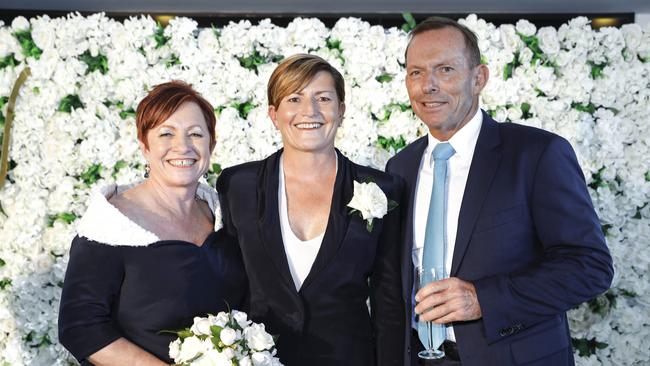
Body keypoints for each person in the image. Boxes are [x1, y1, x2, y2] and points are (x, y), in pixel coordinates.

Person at [385, 17, 614, 366]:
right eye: (416, 73)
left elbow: (589, 266)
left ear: (479, 78)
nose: (427, 85)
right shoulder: (400, 167)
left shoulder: (536, 154)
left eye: (444, 69)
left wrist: (483, 299)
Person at [216, 54, 404, 365]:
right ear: (274, 114)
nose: (310, 111)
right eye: (295, 98)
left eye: (323, 98)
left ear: (341, 111)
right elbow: (229, 284)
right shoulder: (239, 184)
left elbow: (389, 304)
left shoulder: (382, 189)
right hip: (262, 360)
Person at [58, 81, 247, 365]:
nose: (182, 146)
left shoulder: (223, 214)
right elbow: (80, 327)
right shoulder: (111, 225)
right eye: (166, 134)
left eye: (195, 134)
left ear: (211, 145)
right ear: (145, 145)